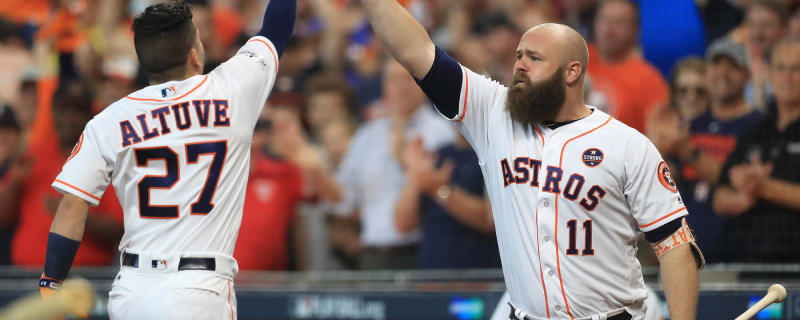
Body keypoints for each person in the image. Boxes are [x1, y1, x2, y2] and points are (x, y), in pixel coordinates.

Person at [359, 0, 703, 319]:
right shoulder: (493, 113)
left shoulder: (629, 145)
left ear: (572, 72)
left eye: (534, 59)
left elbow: (674, 245)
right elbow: (415, 50)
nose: (519, 65)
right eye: (518, 56)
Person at [37, 1, 296, 319]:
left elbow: (72, 205)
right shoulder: (232, 89)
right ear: (194, 54)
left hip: (133, 291)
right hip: (200, 289)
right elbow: (276, 31)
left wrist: (51, 284)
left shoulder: (109, 121)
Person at [333, 59, 455, 270]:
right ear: (384, 86)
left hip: (422, 252)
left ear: (422, 82)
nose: (401, 87)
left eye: (408, 78)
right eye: (393, 79)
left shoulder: (444, 132)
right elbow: (344, 197)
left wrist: (401, 157)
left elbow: (442, 190)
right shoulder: (367, 135)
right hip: (372, 254)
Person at [712, 36, 800, 262]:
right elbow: (720, 197)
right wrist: (744, 197)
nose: (788, 77)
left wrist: (764, 187)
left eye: (796, 69)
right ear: (770, 74)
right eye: (780, 68)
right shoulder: (754, 130)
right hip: (752, 265)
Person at [394, 135, 500, 269]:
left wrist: (440, 190)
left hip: (479, 274)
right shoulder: (438, 155)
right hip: (431, 275)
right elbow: (403, 224)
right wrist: (414, 176)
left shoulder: (492, 154)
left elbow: (491, 220)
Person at [585, 0, 670, 133]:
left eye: (618, 23)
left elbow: (658, 139)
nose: (609, 29)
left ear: (635, 30)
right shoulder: (577, 56)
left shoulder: (648, 79)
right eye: (604, 19)